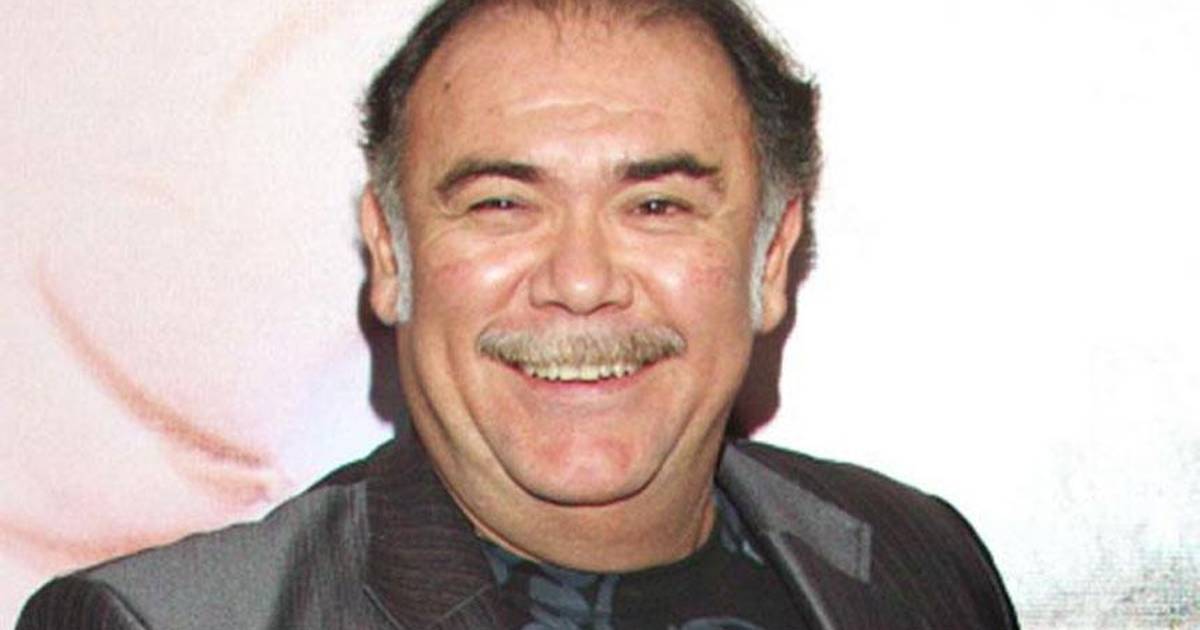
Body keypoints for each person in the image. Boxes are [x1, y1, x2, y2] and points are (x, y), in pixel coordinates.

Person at [18, 0, 1019, 628]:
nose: (580, 280)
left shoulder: (918, 557)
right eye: (502, 203)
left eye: (657, 206)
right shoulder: (158, 623)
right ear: (390, 256)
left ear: (769, 258)